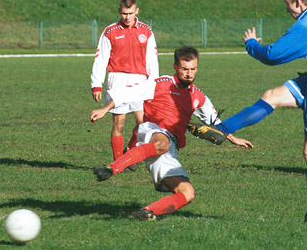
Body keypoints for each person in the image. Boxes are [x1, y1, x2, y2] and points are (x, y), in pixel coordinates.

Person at [194, 0, 307, 224]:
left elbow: (272, 55)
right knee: (271, 96)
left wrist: (251, 45)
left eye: (288, 4)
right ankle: (221, 129)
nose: (287, 10)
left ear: (299, 2)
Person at [90, 46, 253, 221]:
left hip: (170, 147)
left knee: (188, 193)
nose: (189, 74)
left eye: (193, 69)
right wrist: (105, 109)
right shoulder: (160, 83)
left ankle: (146, 213)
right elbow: (129, 93)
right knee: (162, 143)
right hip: (152, 130)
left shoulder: (198, 96)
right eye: (184, 69)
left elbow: (214, 123)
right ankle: (112, 168)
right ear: (176, 67)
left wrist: (233, 139)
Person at [91, 0, 159, 170]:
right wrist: (97, 84)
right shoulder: (110, 31)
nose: (127, 17)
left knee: (143, 123)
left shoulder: (146, 30)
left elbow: (152, 58)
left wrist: (154, 82)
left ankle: (130, 149)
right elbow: (101, 58)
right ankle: (118, 163)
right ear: (119, 12)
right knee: (118, 124)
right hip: (117, 79)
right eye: (124, 13)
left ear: (136, 11)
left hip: (139, 80)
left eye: (130, 13)